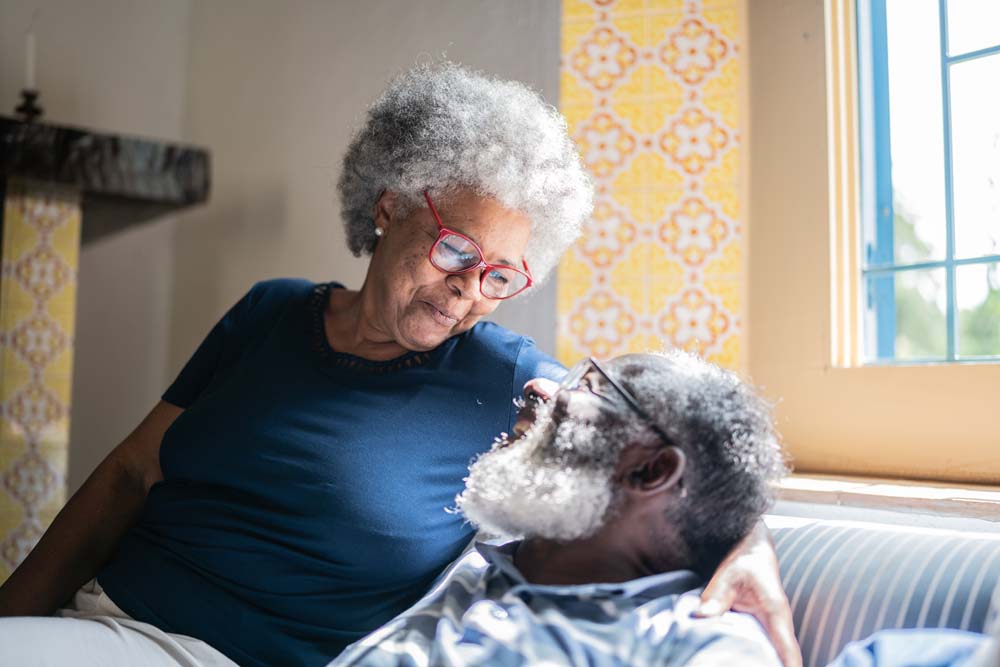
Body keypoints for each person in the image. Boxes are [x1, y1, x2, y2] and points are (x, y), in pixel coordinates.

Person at [0, 64, 798, 667]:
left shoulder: (504, 376)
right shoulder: (270, 312)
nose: (469, 291)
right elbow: (130, 474)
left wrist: (750, 544)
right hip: (99, 618)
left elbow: (661, 444)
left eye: (500, 276)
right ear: (389, 208)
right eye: (457, 250)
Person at [331, 351, 790, 667]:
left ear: (651, 471)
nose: (541, 388)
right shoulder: (497, 554)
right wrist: (752, 542)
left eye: (591, 384)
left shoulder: (697, 642)